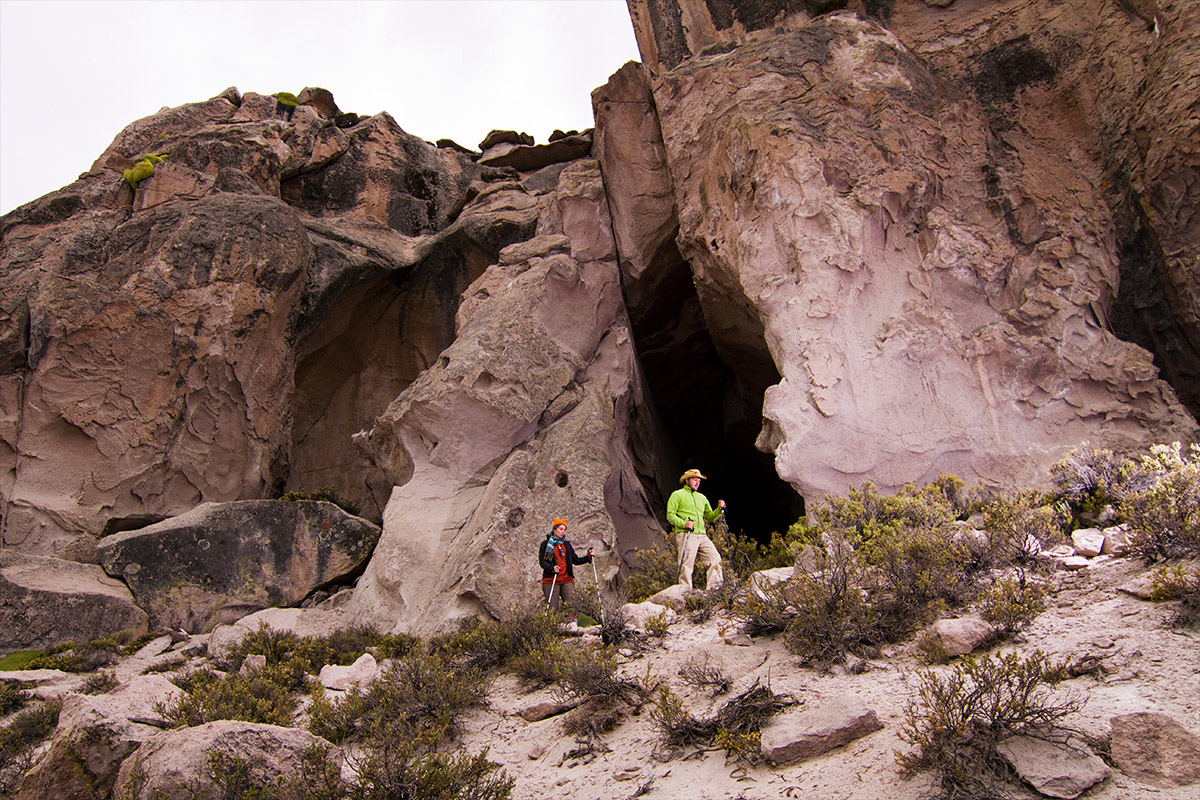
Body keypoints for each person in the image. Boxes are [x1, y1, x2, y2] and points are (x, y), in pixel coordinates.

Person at [666, 469, 725, 590]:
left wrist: (719, 509)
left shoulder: (702, 498)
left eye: (699, 480)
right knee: (687, 564)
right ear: (686, 480)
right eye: (694, 480)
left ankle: (715, 590)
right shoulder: (677, 495)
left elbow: (709, 516)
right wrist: (684, 524)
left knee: (715, 558)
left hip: (702, 536)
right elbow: (670, 515)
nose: (697, 483)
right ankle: (685, 591)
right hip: (686, 533)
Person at [539, 518, 593, 613]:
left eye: (564, 530)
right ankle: (554, 627)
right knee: (553, 609)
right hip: (551, 580)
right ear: (554, 529)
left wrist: (588, 557)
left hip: (566, 579)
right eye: (560, 529)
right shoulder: (545, 544)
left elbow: (575, 560)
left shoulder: (567, 545)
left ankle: (572, 625)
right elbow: (542, 562)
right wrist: (552, 568)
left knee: (571, 606)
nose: (562, 532)